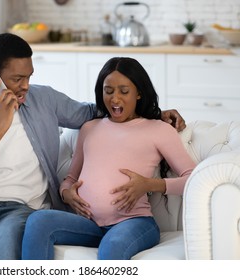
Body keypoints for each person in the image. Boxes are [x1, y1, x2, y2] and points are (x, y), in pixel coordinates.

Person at [0, 34, 185, 260]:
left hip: (21, 209)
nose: (26, 86)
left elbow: (99, 112)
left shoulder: (42, 99)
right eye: (17, 79)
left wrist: (152, 112)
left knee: (12, 242)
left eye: (29, 76)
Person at [21, 57, 196, 260]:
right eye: (108, 90)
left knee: (112, 248)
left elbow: (194, 178)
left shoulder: (159, 129)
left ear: (139, 93)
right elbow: (70, 179)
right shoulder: (89, 128)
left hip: (134, 222)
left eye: (124, 91)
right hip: (89, 224)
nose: (115, 99)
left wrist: (149, 184)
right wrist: (66, 194)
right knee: (38, 221)